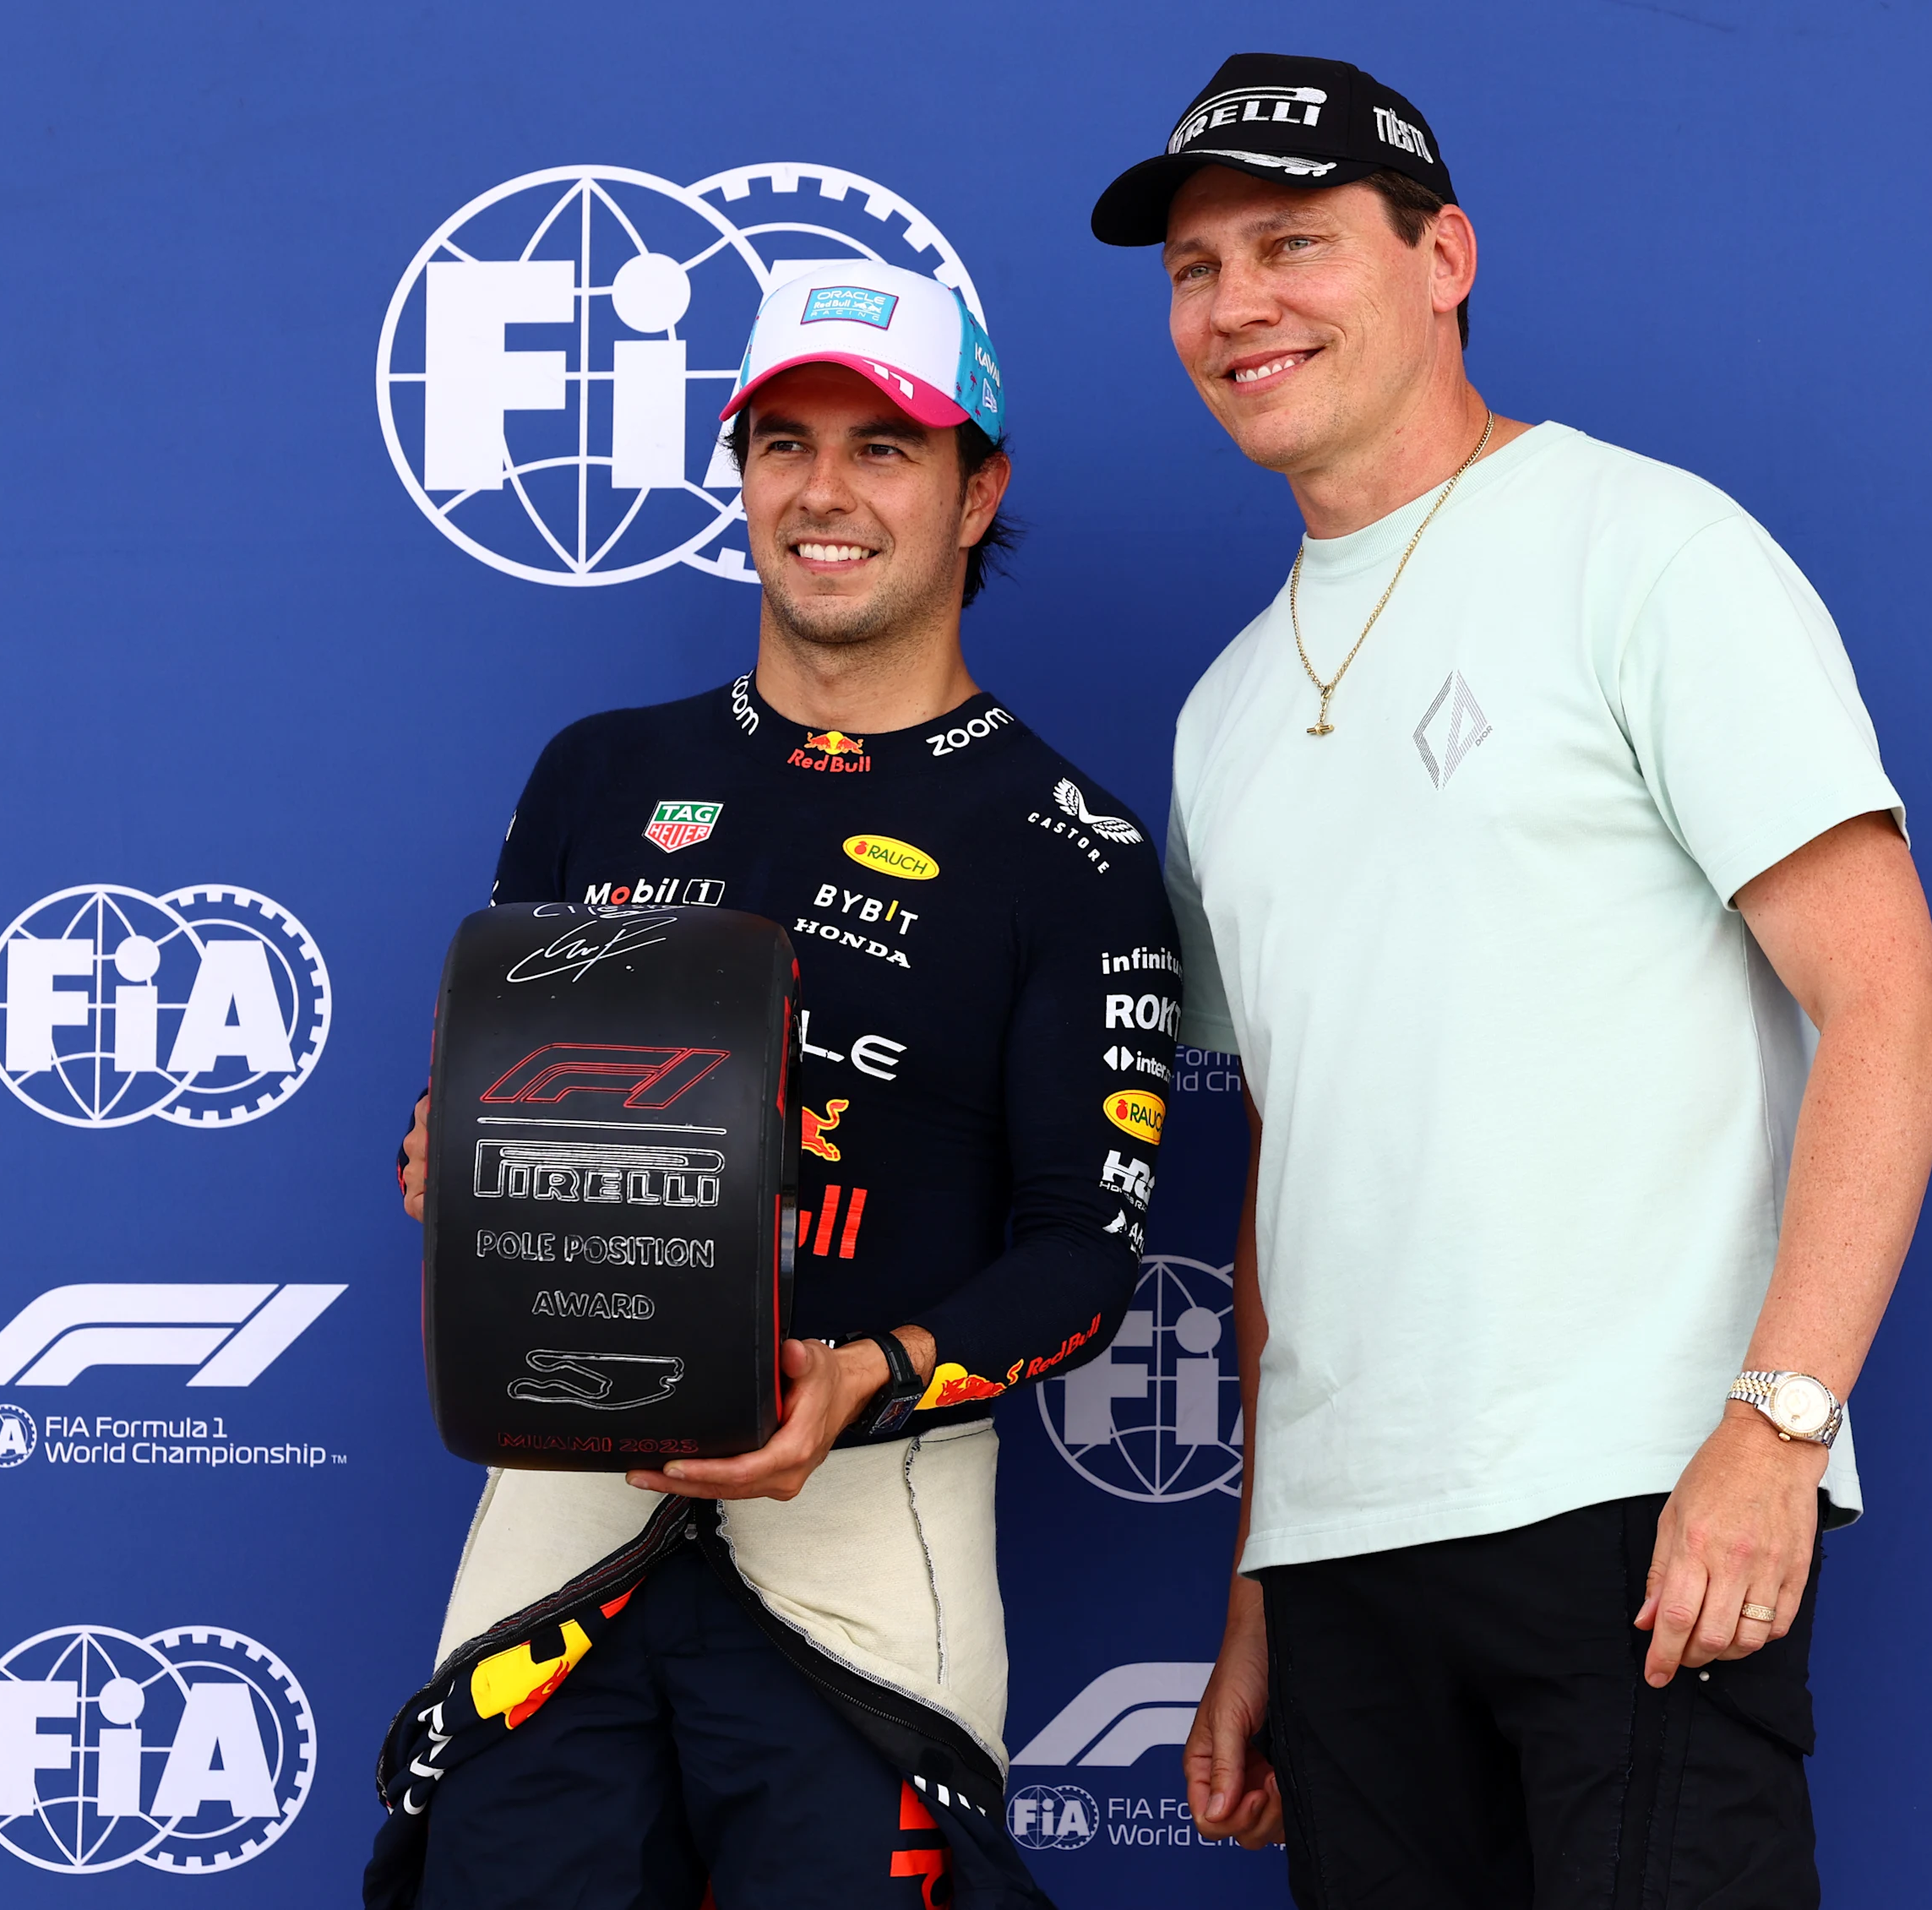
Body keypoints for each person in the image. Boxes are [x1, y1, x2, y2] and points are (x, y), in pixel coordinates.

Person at [1091, 54, 1932, 1909]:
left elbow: (1897, 1010)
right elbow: (1290, 1159)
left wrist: (1776, 1428)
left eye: (1294, 245)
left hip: (1639, 1506)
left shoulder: (1642, 548)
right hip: (1344, 1560)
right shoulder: (1222, 712)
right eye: (1194, 268)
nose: (1237, 303)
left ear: (1443, 257)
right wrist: (1259, 1571)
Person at [363, 258, 1178, 1910]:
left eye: (884, 448)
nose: (824, 493)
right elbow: (474, 1123)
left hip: (870, 1553)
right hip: (557, 1543)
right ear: (737, 470)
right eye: (784, 441)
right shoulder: (599, 776)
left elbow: (1083, 1259)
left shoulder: (1069, 848)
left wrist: (859, 1377)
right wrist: (448, 1165)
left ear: (977, 489)